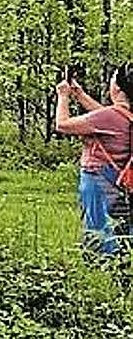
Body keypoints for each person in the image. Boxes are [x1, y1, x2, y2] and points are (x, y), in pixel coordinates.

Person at [55, 62, 133, 255]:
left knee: (98, 228)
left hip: (98, 180)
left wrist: (63, 96)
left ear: (117, 87)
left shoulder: (110, 116)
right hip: (119, 179)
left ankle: (101, 268)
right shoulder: (125, 115)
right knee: (119, 226)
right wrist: (80, 95)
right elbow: (103, 115)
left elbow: (62, 124)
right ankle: (122, 268)